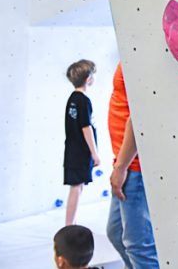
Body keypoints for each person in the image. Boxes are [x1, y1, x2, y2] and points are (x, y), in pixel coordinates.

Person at [106, 62, 159, 268]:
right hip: (125, 163)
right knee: (116, 233)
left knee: (138, 245)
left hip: (133, 167)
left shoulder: (141, 53)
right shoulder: (130, 49)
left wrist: (121, 167)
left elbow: (138, 117)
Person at [63, 60, 100, 226]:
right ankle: (69, 226)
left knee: (77, 187)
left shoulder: (73, 99)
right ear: (88, 78)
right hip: (80, 152)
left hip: (72, 150)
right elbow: (87, 128)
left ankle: (72, 223)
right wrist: (95, 153)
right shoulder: (83, 101)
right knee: (76, 188)